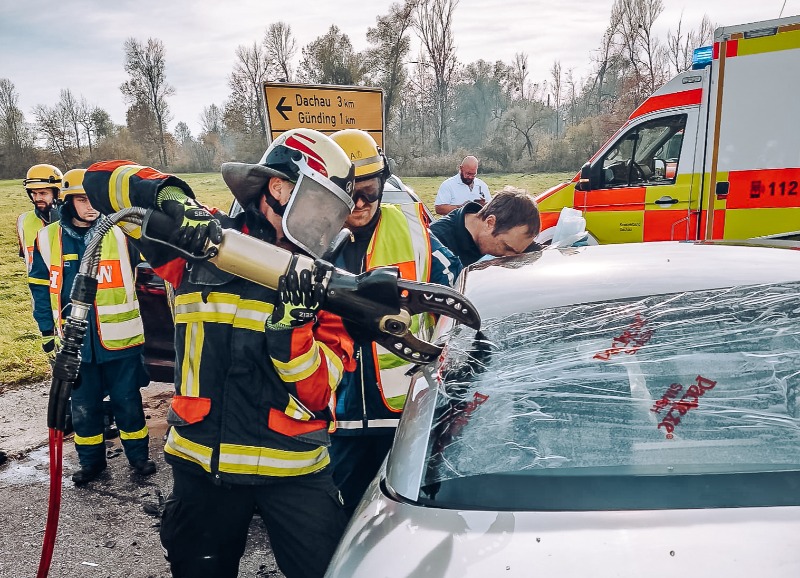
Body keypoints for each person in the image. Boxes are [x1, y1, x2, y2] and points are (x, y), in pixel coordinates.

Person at [83, 128, 358, 578]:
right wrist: (171, 195)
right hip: (201, 466)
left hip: (293, 472)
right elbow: (100, 181)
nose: (328, 224)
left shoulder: (329, 284)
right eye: (322, 205)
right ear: (280, 187)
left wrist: (293, 330)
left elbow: (319, 392)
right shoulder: (201, 246)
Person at [329, 129, 462, 516]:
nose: (359, 202)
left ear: (382, 183)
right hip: (340, 408)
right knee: (341, 512)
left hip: (403, 410)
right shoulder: (313, 238)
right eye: (348, 191)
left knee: (408, 512)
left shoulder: (412, 230)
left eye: (368, 190)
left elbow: (450, 296)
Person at [28, 169, 155, 485]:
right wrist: (47, 335)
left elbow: (157, 260)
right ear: (67, 201)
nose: (91, 206)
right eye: (83, 199)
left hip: (121, 342)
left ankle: (139, 459)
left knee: (128, 404)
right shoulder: (46, 238)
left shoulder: (121, 232)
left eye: (94, 198)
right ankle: (91, 464)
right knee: (83, 410)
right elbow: (40, 290)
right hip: (76, 348)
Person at [430, 186, 541, 267]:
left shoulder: (514, 237)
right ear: (490, 222)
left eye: (517, 254)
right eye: (506, 248)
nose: (509, 258)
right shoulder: (435, 243)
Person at [17, 164, 62, 272]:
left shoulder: (73, 221)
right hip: (38, 287)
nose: (37, 198)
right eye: (34, 193)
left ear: (57, 193)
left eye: (43, 193)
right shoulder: (23, 221)